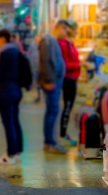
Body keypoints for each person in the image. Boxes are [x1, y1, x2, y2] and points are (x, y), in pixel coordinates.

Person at [38, 19, 74, 154]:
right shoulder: (48, 41)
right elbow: (46, 62)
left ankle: (49, 141)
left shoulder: (52, 42)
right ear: (60, 28)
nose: (66, 34)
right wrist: (48, 80)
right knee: (53, 111)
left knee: (52, 111)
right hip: (51, 82)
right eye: (65, 30)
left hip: (54, 81)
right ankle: (50, 142)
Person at [0, 29, 23, 164]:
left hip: (6, 91)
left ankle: (10, 155)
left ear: (2, 39)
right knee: (15, 120)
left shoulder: (4, 53)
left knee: (8, 122)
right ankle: (17, 152)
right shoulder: (16, 51)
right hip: (16, 90)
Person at [59, 24, 81, 145]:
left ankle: (63, 134)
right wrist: (79, 65)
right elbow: (65, 64)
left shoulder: (69, 43)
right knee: (67, 108)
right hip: (68, 79)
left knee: (69, 107)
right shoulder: (63, 44)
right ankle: (62, 135)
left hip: (72, 79)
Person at [26, 34, 42, 103]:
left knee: (38, 77)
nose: (37, 39)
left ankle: (38, 89)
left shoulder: (42, 45)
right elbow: (29, 53)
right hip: (33, 62)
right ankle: (35, 87)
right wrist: (29, 60)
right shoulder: (32, 45)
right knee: (34, 75)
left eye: (38, 38)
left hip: (40, 64)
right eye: (36, 38)